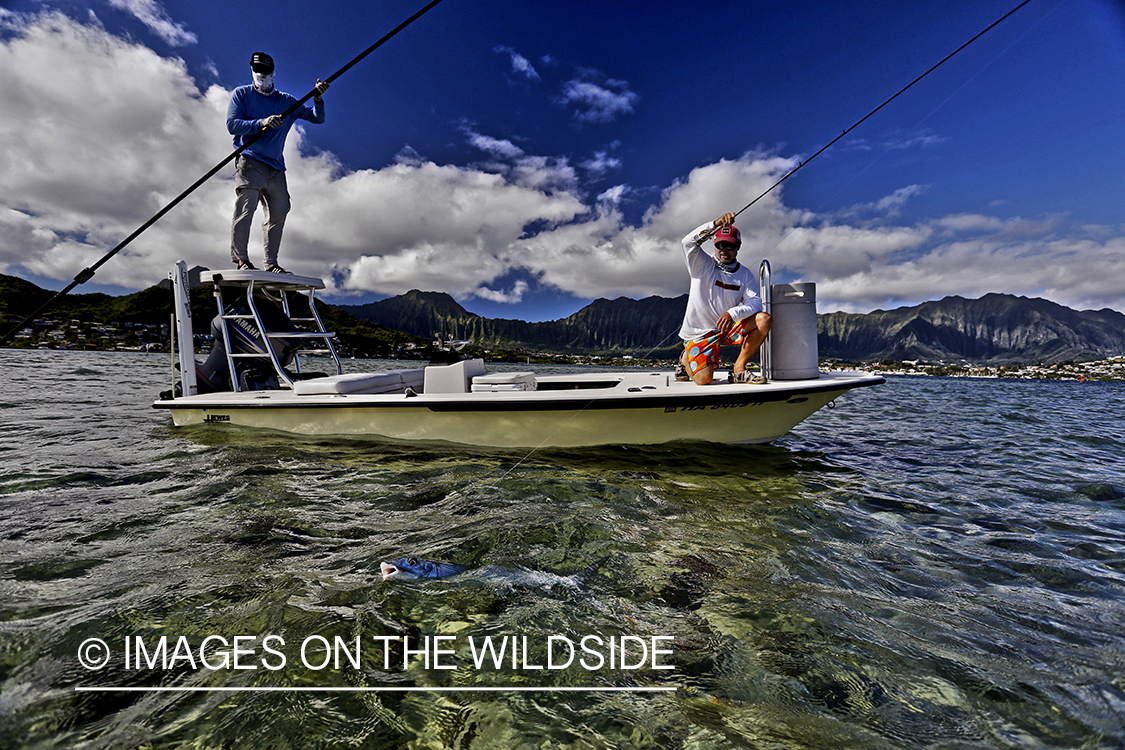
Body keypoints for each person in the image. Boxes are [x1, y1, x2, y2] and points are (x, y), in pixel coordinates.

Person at [227, 52, 329, 273]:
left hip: (276, 168)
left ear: (273, 74)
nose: (261, 77)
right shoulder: (241, 94)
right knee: (246, 208)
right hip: (250, 161)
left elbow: (317, 118)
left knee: (279, 211)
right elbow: (232, 125)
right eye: (257, 72)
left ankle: (271, 264)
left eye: (265, 73)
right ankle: (241, 260)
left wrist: (318, 99)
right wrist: (261, 123)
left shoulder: (286, 101)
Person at [676, 212, 772, 385]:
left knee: (764, 320)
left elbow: (756, 303)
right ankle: (685, 358)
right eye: (720, 244)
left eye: (729, 245)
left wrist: (732, 314)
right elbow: (687, 242)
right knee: (704, 380)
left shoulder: (745, 274)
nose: (724, 250)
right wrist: (714, 225)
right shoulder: (701, 264)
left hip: (727, 329)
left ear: (738, 246)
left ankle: (738, 370)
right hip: (700, 333)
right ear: (714, 244)